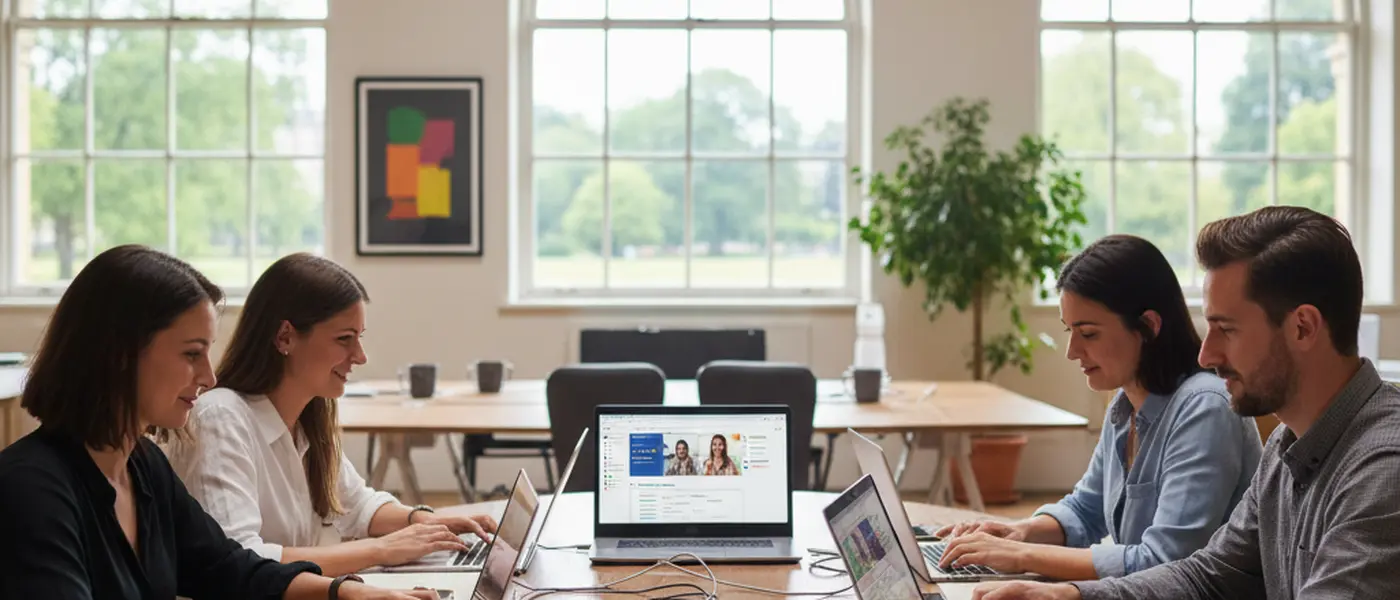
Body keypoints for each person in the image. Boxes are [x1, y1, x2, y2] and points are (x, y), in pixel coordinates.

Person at [973, 207, 1400, 600]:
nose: (1206, 355)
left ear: (1303, 328)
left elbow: (1170, 560)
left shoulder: (1384, 469)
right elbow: (1208, 574)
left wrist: (1033, 562)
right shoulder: (1286, 446)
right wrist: (1069, 596)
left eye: (1226, 329)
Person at [0, 245, 437, 600]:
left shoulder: (142, 465)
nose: (208, 376)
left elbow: (228, 568)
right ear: (120, 355)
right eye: (192, 354)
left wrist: (347, 593)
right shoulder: (31, 491)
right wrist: (374, 557)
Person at [936, 235, 1263, 581]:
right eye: (1069, 331)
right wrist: (1018, 532)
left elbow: (1164, 562)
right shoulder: (1125, 406)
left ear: (1148, 326)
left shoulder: (1205, 408)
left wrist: (1023, 556)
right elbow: (1085, 509)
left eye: (1088, 334)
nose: (1072, 351)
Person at [166, 253, 497, 578]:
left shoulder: (307, 417)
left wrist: (424, 521)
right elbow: (241, 559)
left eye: (359, 338)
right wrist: (380, 550)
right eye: (344, 339)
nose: (361, 356)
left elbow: (357, 506)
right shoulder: (220, 417)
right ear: (285, 337)